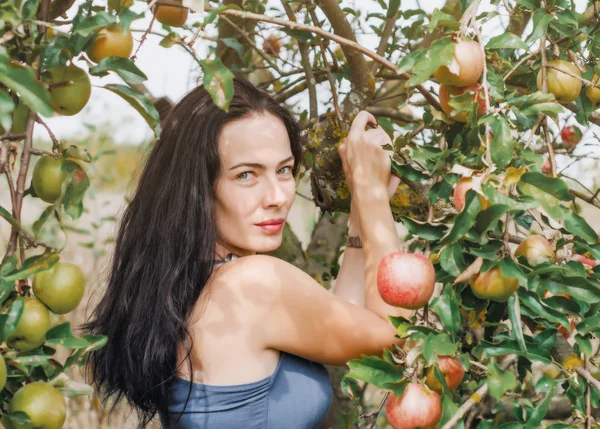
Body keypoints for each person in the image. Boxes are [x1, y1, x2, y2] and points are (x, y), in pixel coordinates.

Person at [81, 76, 411, 429]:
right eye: (246, 176)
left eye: (283, 170)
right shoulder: (252, 284)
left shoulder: (187, 284)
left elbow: (344, 320)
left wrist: (361, 212)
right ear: (199, 187)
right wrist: (372, 194)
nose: (278, 196)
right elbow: (399, 340)